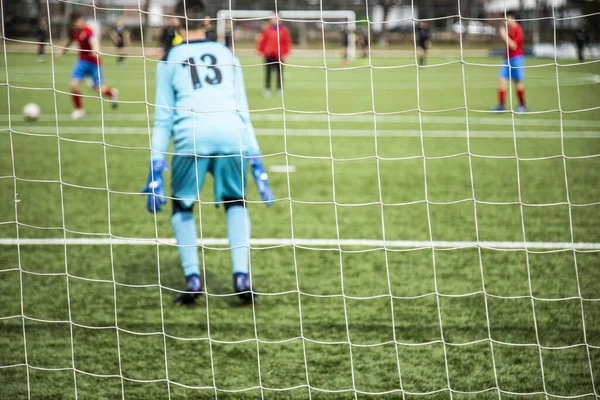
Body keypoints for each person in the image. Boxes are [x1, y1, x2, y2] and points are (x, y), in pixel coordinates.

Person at [141, 0, 274, 305]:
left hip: (192, 137)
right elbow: (243, 110)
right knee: (236, 201)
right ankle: (241, 276)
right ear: (207, 22)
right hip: (232, 136)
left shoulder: (172, 57)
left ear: (176, 22)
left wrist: (155, 163)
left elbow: (164, 118)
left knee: (182, 206)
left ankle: (193, 278)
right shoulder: (227, 54)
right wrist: (256, 159)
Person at [55, 12, 119, 120]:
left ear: (80, 20)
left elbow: (94, 41)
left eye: (77, 22)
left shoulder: (88, 30)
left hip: (94, 63)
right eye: (74, 24)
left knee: (98, 90)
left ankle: (112, 93)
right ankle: (79, 110)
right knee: (74, 84)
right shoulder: (74, 31)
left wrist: (96, 50)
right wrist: (61, 51)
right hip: (82, 62)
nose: (76, 25)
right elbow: (69, 41)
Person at [495, 11, 527, 113]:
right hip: (506, 59)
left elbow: (513, 46)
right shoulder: (509, 29)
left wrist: (504, 36)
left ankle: (522, 105)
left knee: (517, 82)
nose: (505, 21)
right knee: (501, 81)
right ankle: (501, 105)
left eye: (506, 18)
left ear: (512, 18)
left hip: (517, 58)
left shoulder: (518, 29)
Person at [257, 15, 292, 97]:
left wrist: (286, 53)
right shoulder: (267, 29)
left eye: (276, 18)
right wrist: (260, 50)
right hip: (269, 55)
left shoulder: (284, 30)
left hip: (279, 55)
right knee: (268, 73)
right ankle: (267, 88)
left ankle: (279, 89)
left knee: (279, 73)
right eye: (272, 19)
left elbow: (287, 42)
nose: (274, 20)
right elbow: (263, 41)